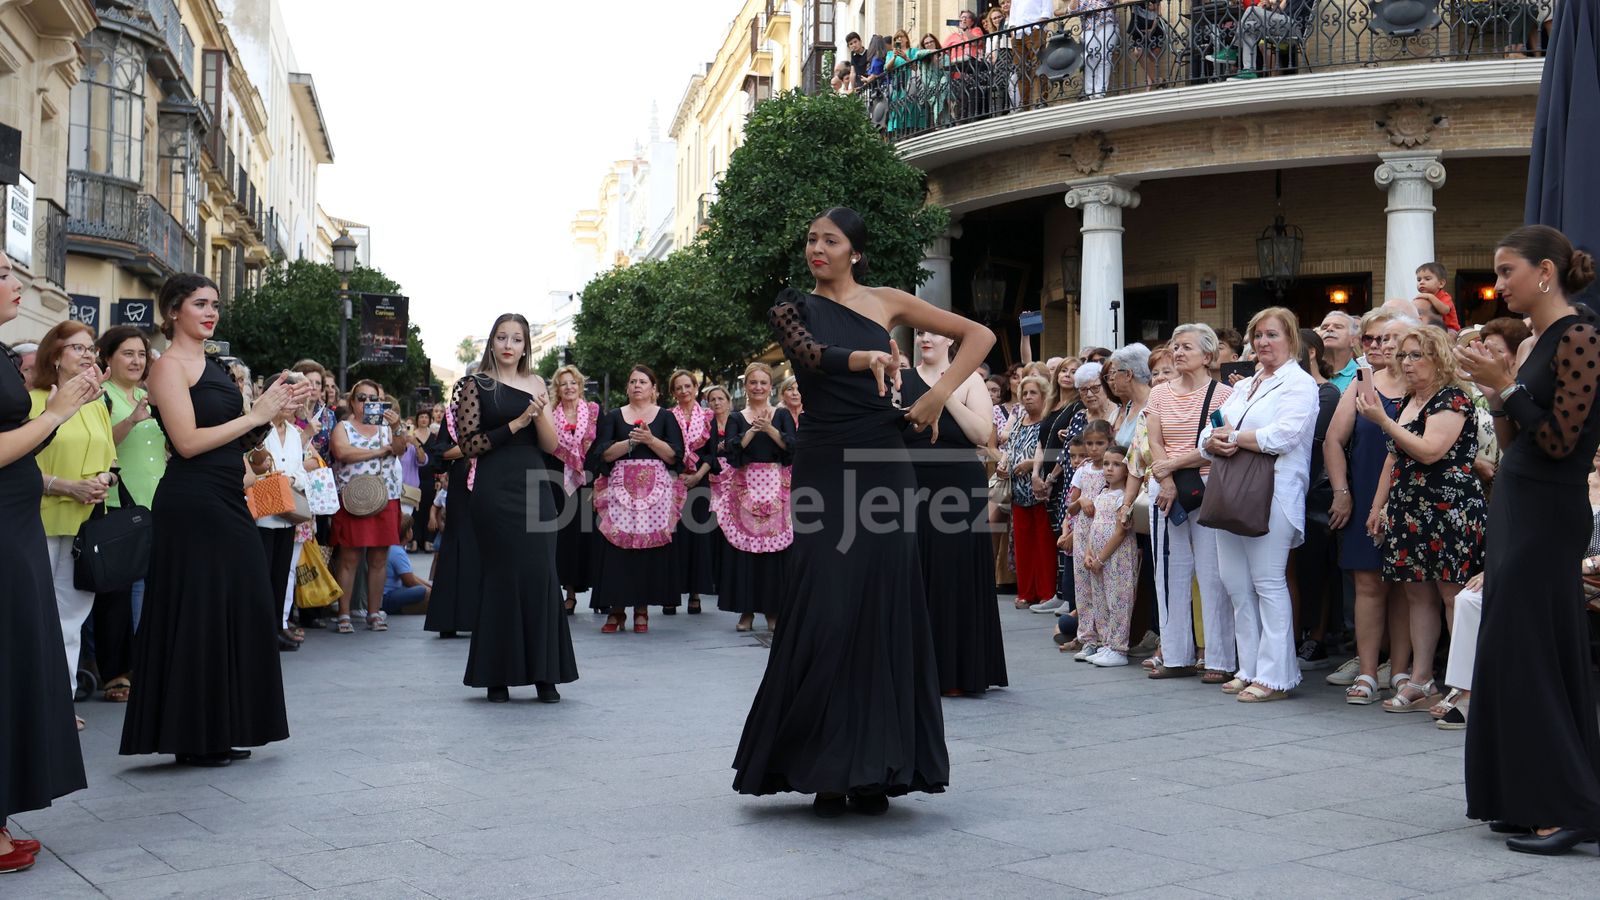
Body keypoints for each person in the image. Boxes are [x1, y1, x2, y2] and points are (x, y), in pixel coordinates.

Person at [734, 207, 991, 816]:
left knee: (884, 605)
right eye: (811, 238)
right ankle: (823, 763)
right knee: (826, 602)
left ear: (856, 251)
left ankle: (877, 768)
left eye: (830, 239)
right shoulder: (789, 306)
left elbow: (980, 336)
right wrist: (867, 360)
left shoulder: (888, 301)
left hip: (883, 461)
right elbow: (811, 354)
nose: (816, 248)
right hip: (825, 465)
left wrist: (934, 397)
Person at [121, 273, 310, 767]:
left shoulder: (216, 366)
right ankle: (195, 736)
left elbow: (234, 440)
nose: (211, 312)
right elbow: (185, 443)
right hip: (192, 501)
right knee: (202, 611)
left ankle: (223, 726)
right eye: (200, 304)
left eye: (215, 305)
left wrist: (270, 415)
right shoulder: (167, 368)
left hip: (228, 493)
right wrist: (255, 416)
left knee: (240, 604)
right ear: (173, 311)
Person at [1454, 225, 1600, 854]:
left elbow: (1562, 445)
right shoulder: (1541, 341)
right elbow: (1518, 441)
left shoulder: (1582, 337)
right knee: (1511, 650)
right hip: (1519, 502)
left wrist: (1508, 385)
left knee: (1535, 653)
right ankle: (1519, 795)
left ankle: (1567, 804)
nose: (1499, 282)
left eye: (1506, 270)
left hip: (1549, 512)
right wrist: (1497, 393)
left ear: (1546, 271)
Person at [0, 255, 94, 875]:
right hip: (5, 528)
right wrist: (56, 411)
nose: (18, 281)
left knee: (16, 663)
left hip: (16, 520)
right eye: (6, 273)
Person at [1361, 324, 1485, 713]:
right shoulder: (1408, 402)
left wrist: (1384, 421)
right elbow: (1392, 459)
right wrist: (1377, 507)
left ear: (1439, 358)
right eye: (1404, 356)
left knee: (1453, 595)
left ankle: (1463, 684)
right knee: (1417, 594)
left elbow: (1431, 451)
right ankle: (1421, 678)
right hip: (1409, 507)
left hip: (1450, 509)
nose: (1407, 363)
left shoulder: (1453, 399)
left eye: (1417, 355)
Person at [452, 313, 575, 703]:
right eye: (502, 337)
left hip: (535, 482)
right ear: (491, 342)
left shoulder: (537, 383)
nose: (509, 345)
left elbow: (551, 445)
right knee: (502, 575)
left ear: (526, 345)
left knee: (541, 572)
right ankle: (497, 675)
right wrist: (519, 421)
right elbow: (469, 445)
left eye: (517, 339)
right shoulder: (474, 384)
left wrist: (539, 416)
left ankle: (545, 675)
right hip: (494, 486)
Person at [1200, 307, 1319, 703]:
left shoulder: (1299, 384)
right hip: (1231, 490)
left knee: (1268, 583)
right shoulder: (1243, 385)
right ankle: (1248, 666)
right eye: (1258, 336)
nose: (1263, 343)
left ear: (1291, 340)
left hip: (1275, 492)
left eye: (1272, 335)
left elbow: (1283, 436)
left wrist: (1231, 438)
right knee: (1235, 584)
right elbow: (1209, 431)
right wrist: (1211, 441)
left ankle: (1276, 676)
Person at [905, 328, 1006, 695]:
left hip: (958, 488)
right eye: (919, 332)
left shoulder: (971, 381)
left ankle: (955, 671)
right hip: (908, 484)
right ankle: (911, 672)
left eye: (934, 333)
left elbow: (981, 434)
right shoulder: (903, 379)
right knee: (912, 570)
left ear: (952, 342)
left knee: (954, 572)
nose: (925, 338)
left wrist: (944, 392)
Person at [1324, 309, 1416, 702]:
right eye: (1373, 340)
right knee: (1367, 581)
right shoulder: (1364, 381)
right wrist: (1341, 492)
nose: (1380, 346)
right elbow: (1332, 441)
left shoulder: (1423, 382)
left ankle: (1399, 670)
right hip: (1363, 489)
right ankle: (1366, 672)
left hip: (1413, 493)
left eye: (1388, 339)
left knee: (1406, 586)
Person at [29, 321, 116, 715]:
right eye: (78, 348)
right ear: (55, 355)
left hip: (84, 525)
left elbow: (110, 462)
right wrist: (64, 486)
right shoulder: (31, 402)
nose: (87, 355)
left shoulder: (97, 405)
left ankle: (59, 706)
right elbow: (17, 464)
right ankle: (32, 707)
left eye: (90, 349)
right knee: (35, 616)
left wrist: (102, 480)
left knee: (71, 619)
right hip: (38, 521)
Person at [1145, 324, 1234, 682]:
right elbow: (1154, 441)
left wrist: (1174, 465)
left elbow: (1219, 442)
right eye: (1174, 347)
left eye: (1186, 347)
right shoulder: (1160, 395)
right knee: (1169, 572)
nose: (1177, 353)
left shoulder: (1223, 395)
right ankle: (1176, 655)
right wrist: (1165, 479)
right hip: (1166, 490)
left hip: (1209, 488)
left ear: (1208, 357)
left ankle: (1219, 659)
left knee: (1213, 575)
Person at [587, 365, 685, 633]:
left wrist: (650, 440)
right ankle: (616, 610)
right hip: (620, 492)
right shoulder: (614, 417)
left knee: (648, 550)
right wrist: (630, 443)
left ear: (654, 388)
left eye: (643, 381)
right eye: (632, 382)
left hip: (656, 494)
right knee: (618, 548)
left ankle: (642, 610)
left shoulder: (665, 417)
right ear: (627, 388)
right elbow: (602, 454)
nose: (637, 385)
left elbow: (676, 457)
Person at [96, 324, 164, 690]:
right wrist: (132, 419)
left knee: (149, 588)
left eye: (142, 354)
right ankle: (115, 671)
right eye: (128, 353)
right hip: (119, 505)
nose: (137, 360)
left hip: (155, 502)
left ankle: (145, 662)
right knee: (119, 594)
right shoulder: (100, 395)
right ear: (108, 357)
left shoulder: (147, 393)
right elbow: (100, 444)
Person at [717, 363, 795, 633]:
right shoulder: (737, 417)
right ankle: (746, 611)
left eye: (763, 383)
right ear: (746, 386)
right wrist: (752, 430)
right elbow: (731, 451)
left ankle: (772, 611)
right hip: (745, 489)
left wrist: (770, 428)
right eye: (753, 383)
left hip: (776, 487)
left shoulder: (782, 414)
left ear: (770, 387)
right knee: (745, 551)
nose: (758, 387)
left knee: (773, 552)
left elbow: (792, 448)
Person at [329, 379, 406, 634]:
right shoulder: (344, 427)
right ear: (352, 401)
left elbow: (400, 449)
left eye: (373, 399)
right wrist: (380, 451)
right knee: (349, 557)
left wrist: (396, 428)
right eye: (361, 398)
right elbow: (342, 453)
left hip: (385, 496)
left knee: (379, 558)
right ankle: (344, 613)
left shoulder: (387, 428)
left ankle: (374, 612)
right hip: (353, 498)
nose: (367, 403)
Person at [252, 371, 316, 652]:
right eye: (288, 397)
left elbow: (301, 471)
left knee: (280, 574)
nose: (293, 405)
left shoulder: (294, 433)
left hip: (287, 511)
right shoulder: (257, 428)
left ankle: (278, 626)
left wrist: (290, 480)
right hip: (261, 512)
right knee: (261, 575)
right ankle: (261, 631)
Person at [1291, 327, 1342, 670]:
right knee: (1291, 567)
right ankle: (1293, 636)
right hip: (1288, 487)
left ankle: (1317, 636)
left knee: (1317, 567)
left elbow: (1310, 437)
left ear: (1310, 352)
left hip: (1316, 488)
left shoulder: (1327, 393)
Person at [421, 392, 479, 638]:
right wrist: (472, 448)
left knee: (485, 548)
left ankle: (483, 616)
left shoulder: (499, 409)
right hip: (460, 487)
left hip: (494, 484)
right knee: (456, 547)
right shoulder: (452, 414)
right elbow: (440, 454)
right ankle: (448, 618)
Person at [1082, 445, 1140, 666]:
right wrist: (1089, 553)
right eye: (1106, 464)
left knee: (1118, 600)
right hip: (1098, 559)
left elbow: (1119, 532)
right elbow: (1093, 526)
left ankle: (1119, 647)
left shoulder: (1124, 498)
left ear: (1126, 469)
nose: (1109, 468)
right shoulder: (1102, 494)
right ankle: (1106, 643)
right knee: (1101, 600)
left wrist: (1100, 558)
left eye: (1116, 464)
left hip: (1116, 558)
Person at [549, 364, 599, 614]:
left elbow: (600, 446)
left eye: (573, 383)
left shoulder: (592, 411)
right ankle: (568, 593)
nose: (569, 387)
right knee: (565, 538)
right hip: (558, 481)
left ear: (580, 386)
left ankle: (600, 594)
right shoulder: (550, 415)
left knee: (591, 535)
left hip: (588, 480)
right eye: (563, 383)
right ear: (557, 389)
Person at [668, 369, 716, 615]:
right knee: (674, 537)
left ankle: (695, 593)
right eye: (679, 387)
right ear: (673, 392)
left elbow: (713, 452)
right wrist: (679, 474)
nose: (684, 391)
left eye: (688, 386)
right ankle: (671, 593)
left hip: (700, 481)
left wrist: (698, 475)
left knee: (698, 538)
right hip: (673, 481)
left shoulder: (708, 416)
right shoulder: (667, 417)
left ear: (696, 388)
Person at [1003, 374, 1053, 607]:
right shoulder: (1019, 420)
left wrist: (1029, 464)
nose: (1028, 397)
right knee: (1023, 546)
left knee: (1043, 545)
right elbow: (1009, 447)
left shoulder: (1047, 421)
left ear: (1044, 396)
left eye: (1033, 393)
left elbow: (1052, 452)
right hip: (1018, 491)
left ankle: (1045, 593)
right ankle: (1026, 592)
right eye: (1024, 393)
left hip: (1041, 490)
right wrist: (1004, 464)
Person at [1065, 419, 1113, 659]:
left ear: (1110, 442)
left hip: (1105, 531)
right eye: (1090, 443)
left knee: (1102, 586)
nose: (1094, 449)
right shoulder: (1082, 471)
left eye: (1100, 443)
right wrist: (1081, 501)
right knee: (1083, 586)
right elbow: (1070, 508)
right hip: (1083, 532)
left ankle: (1106, 638)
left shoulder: (1113, 468)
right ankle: (1087, 638)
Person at [381, 516, 430, 614]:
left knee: (427, 590)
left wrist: (429, 586)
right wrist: (429, 590)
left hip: (388, 594)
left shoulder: (395, 547)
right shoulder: (397, 552)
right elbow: (409, 581)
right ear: (407, 533)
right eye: (410, 528)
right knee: (425, 592)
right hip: (387, 596)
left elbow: (410, 575)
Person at [1072, 0, 1120, 99]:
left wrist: (1091, 9)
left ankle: (1100, 92)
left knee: (1104, 56)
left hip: (1107, 23)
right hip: (1088, 27)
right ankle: (1090, 93)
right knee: (1089, 58)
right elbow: (1072, 10)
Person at [1318, 311, 1361, 391]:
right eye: (1324, 327)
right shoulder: (1308, 372)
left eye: (1338, 327)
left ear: (1353, 340)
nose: (1329, 329)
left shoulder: (1361, 376)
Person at [1416, 262, 1460, 331]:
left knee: (1450, 336)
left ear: (1441, 283)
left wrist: (1430, 297)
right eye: (1419, 280)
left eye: (1427, 279)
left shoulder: (1444, 296)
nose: (1421, 282)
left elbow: (1445, 310)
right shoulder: (1423, 298)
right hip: (1432, 327)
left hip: (1449, 328)